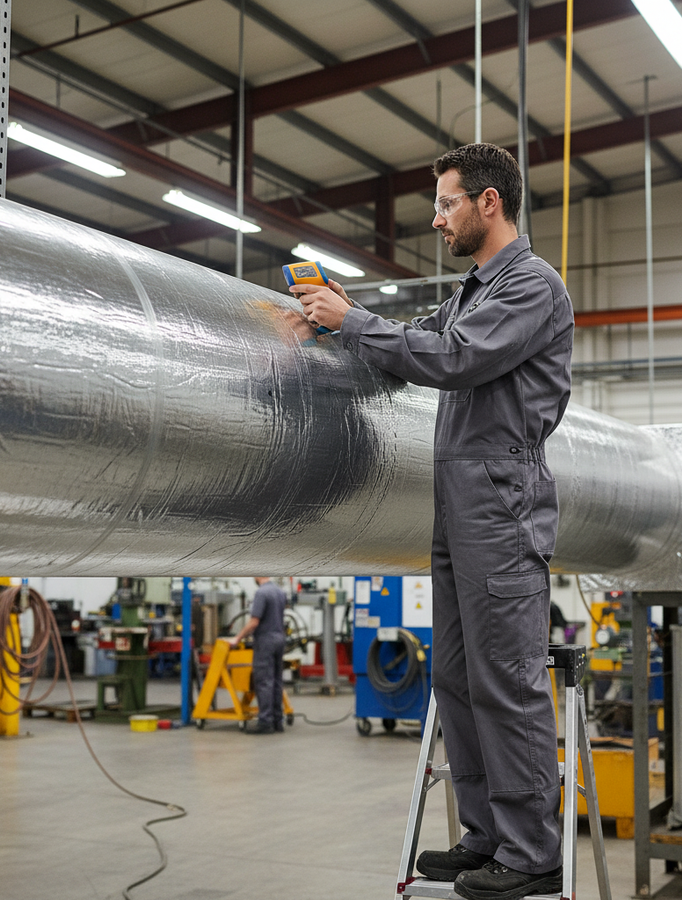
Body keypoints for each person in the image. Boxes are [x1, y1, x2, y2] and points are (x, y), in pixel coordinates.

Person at [290, 143, 572, 900]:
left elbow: (452, 358)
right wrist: (345, 318)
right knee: (456, 675)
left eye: (447, 202)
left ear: (489, 203)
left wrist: (355, 323)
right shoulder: (475, 288)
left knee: (507, 680)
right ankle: (486, 836)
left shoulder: (532, 287)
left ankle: (530, 851)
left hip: (502, 498)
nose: (437, 217)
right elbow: (417, 336)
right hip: (457, 499)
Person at [230, 577, 287, 735]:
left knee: (264, 681)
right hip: (279, 639)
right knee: (276, 681)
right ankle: (277, 721)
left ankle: (265, 722)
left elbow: (254, 622)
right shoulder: (280, 592)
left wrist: (237, 638)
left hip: (266, 641)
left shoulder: (261, 593)